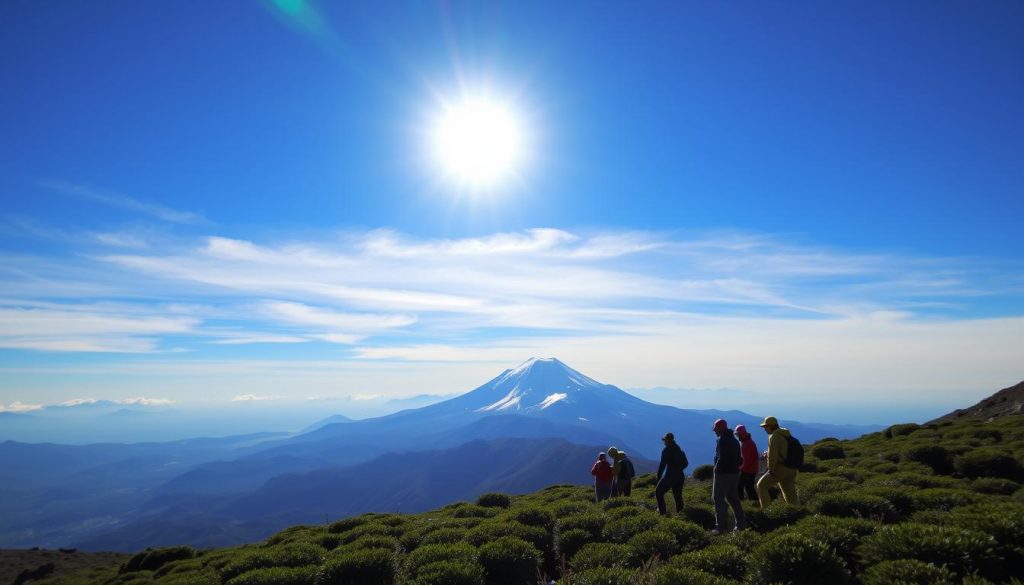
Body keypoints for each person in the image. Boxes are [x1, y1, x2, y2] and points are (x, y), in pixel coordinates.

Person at [755, 416, 800, 508]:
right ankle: (797, 514)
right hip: (792, 468)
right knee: (791, 496)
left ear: (771, 426)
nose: (764, 429)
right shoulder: (785, 434)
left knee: (761, 486)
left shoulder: (774, 436)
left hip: (780, 468)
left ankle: (766, 512)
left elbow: (773, 456)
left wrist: (771, 470)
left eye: (765, 427)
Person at [711, 419, 746, 534]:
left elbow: (722, 458)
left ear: (720, 428)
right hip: (735, 473)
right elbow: (740, 459)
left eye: (715, 428)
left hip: (723, 474)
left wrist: (716, 468)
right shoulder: (734, 440)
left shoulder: (723, 440)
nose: (714, 430)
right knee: (733, 499)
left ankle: (721, 527)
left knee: (717, 498)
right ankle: (740, 526)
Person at [655, 432, 688, 515]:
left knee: (658, 492)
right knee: (678, 497)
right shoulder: (678, 448)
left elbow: (662, 465)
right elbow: (685, 463)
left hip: (670, 477)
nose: (664, 442)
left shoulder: (666, 450)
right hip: (680, 476)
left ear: (667, 440)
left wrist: (659, 476)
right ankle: (681, 515)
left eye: (665, 440)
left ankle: (662, 513)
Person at [735, 424, 759, 501]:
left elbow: (747, 461)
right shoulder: (749, 442)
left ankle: (742, 503)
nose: (737, 436)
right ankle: (755, 503)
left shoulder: (745, 444)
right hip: (753, 469)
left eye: (738, 434)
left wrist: (740, 468)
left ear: (741, 434)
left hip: (748, 470)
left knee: (739, 486)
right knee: (749, 487)